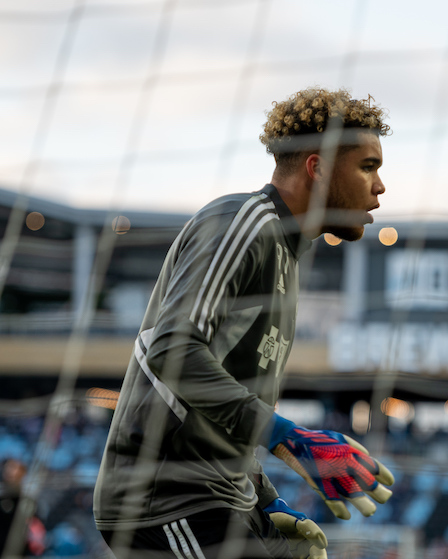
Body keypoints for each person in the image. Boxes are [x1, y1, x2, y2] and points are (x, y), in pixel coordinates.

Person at [94, 87, 395, 559]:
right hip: (166, 501)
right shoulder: (242, 222)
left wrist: (266, 501)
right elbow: (174, 350)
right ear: (317, 168)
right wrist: (287, 436)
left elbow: (225, 399)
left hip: (221, 500)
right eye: (368, 167)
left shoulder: (287, 255)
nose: (380, 187)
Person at [0, 458, 46, 557]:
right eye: (7, 468)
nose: (9, 472)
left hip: (19, 550)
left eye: (14, 468)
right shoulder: (2, 496)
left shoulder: (27, 500)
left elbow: (36, 524)